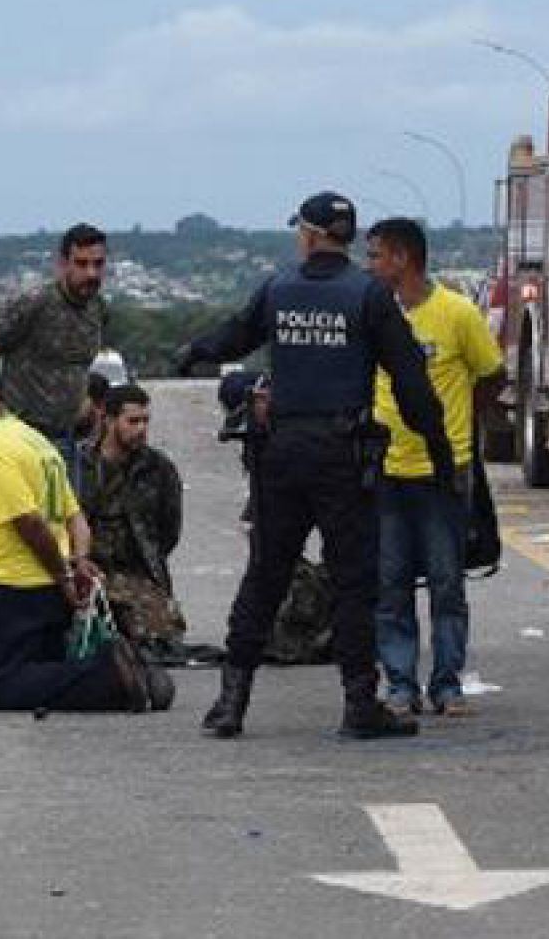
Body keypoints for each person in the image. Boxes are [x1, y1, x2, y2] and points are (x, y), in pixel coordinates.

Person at [175, 190, 455, 740]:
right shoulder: (369, 295)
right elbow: (411, 382)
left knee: (266, 576)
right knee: (353, 582)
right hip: (343, 457)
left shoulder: (279, 289)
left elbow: (234, 335)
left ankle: (231, 703)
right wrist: (440, 453)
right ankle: (359, 705)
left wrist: (194, 352)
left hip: (281, 454)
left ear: (309, 235)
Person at [0, 369, 169, 714]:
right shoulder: (35, 441)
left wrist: (65, 575)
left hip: (16, 587)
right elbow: (76, 518)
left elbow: (28, 522)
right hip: (46, 591)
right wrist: (79, 562)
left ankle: (112, 677)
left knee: (4, 687)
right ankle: (117, 673)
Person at [365, 218, 504, 718]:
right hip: (388, 470)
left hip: (443, 472)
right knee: (391, 584)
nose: (370, 266)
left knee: (447, 583)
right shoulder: (373, 315)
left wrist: (459, 423)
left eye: (376, 256)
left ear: (402, 259)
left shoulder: (456, 313)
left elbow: (492, 374)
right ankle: (401, 684)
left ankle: (447, 683)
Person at [0, 222, 108, 467]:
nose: (91, 273)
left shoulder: (97, 309)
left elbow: (78, 367)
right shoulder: (34, 304)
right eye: (81, 264)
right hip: (23, 439)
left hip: (69, 440)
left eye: (98, 264)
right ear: (63, 264)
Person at [72, 383, 189, 661]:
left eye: (145, 421)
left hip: (137, 574)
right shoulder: (78, 465)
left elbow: (169, 529)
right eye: (133, 421)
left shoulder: (158, 469)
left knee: (162, 636)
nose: (141, 429)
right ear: (109, 420)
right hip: (86, 570)